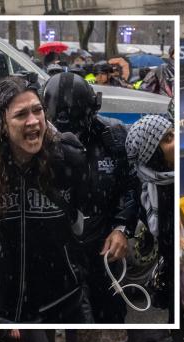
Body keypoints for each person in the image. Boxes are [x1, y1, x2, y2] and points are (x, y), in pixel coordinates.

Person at [0, 75, 92, 323]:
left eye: (37, 111)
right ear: (1, 124)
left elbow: (86, 215)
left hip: (59, 304)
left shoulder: (69, 161)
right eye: (21, 115)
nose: (33, 121)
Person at [42, 72, 137, 326]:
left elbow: (130, 186)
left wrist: (121, 228)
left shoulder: (113, 137)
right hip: (56, 253)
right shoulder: (35, 139)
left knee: (110, 317)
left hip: (102, 250)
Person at [126, 114, 175, 314]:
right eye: (167, 139)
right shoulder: (142, 191)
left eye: (174, 133)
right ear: (151, 152)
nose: (175, 141)